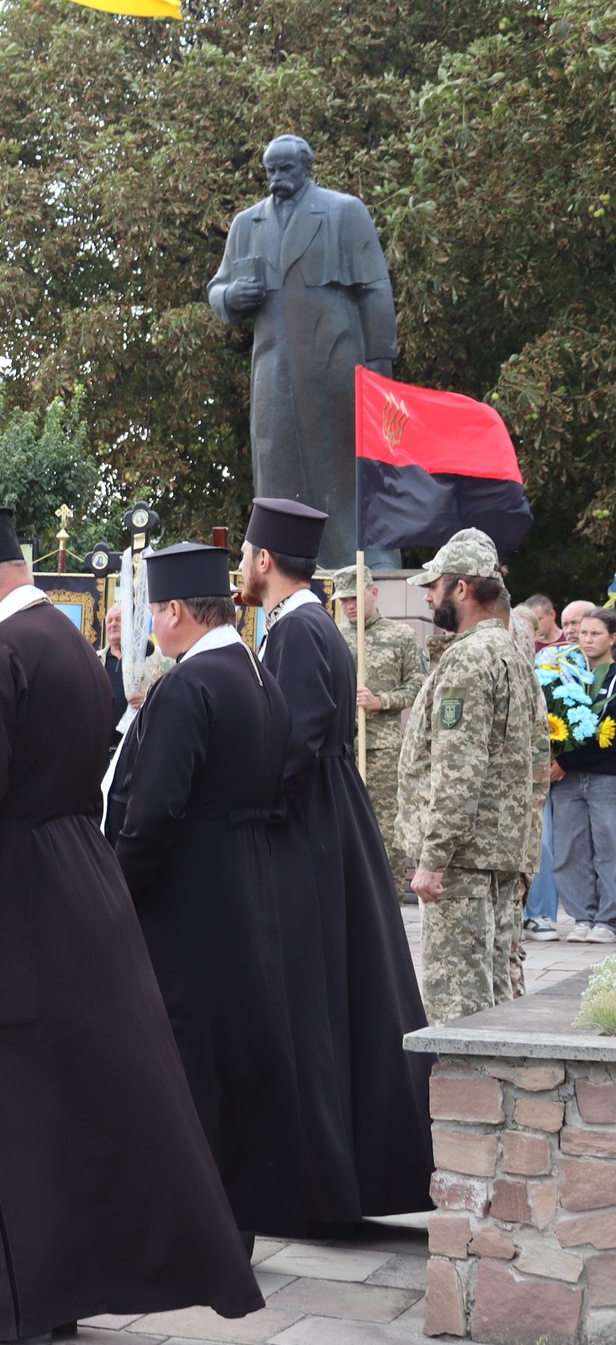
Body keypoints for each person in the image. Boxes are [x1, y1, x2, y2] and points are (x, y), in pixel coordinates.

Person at [0, 508, 262, 1345]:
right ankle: (48, 1292)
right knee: (43, 1107)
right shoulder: (64, 642)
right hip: (69, 889)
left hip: (1, 906)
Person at [104, 543, 308, 1240]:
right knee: (232, 1057)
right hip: (247, 881)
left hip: (191, 895)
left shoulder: (190, 686)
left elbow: (155, 808)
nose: (153, 626)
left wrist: (116, 895)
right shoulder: (258, 673)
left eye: (156, 611)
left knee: (189, 1059)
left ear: (177, 611)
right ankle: (235, 1222)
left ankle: (189, 1226)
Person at [238, 497, 433, 1225]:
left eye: (247, 555)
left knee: (311, 996)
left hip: (308, 829)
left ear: (264, 560)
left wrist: (251, 806)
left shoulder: (296, 630)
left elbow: (295, 736)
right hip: (331, 818)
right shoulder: (314, 624)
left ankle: (321, 1188)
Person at [207, 134, 397, 568]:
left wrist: (381, 371)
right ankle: (284, 566)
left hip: (335, 367)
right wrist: (232, 296)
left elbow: (375, 289)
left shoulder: (342, 212)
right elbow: (217, 289)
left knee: (343, 472)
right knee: (276, 476)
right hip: (273, 373)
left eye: (285, 168)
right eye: (270, 170)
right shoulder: (246, 224)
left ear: (307, 167)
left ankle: (365, 563)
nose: (276, 178)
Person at [399, 530, 549, 1017]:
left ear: (461, 589)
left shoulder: (468, 658)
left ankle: (463, 1099)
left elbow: (458, 768)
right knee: (498, 1005)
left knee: (457, 1011)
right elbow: (536, 763)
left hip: (461, 864)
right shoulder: (513, 655)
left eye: (434, 585)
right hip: (497, 854)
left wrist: (434, 856)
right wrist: (524, 855)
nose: (427, 595)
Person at [332, 564, 429, 896]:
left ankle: (387, 895)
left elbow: (419, 685)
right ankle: (350, 893)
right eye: (343, 600)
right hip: (342, 744)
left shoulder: (399, 636)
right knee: (342, 822)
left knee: (386, 825)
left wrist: (381, 700)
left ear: (373, 593)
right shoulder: (335, 635)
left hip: (383, 747)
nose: (349, 607)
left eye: (354, 598)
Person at [551, 608, 616, 942]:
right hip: (566, 780)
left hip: (606, 776)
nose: (587, 639)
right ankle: (581, 917)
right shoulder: (562, 675)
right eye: (584, 633)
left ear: (612, 638)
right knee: (569, 849)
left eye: (596, 634)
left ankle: (608, 919)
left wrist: (567, 761)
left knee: (609, 848)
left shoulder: (614, 676)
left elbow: (609, 732)